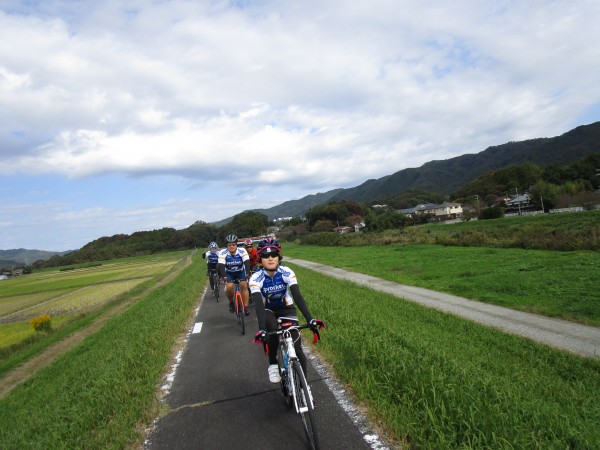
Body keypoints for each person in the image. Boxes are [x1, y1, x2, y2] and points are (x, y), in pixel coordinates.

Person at [249, 237, 325, 383]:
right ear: (260, 258)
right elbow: (258, 304)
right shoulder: (256, 277)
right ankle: (273, 363)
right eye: (265, 255)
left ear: (279, 257)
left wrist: (310, 319)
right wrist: (262, 329)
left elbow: (297, 296)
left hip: (286, 309)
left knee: (297, 347)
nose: (270, 258)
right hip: (267, 309)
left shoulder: (286, 272)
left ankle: (304, 387)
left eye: (274, 255)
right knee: (271, 329)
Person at [218, 234, 251, 315]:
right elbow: (221, 265)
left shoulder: (242, 250)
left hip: (240, 272)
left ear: (237, 245)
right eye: (229, 245)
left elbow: (246, 262)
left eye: (233, 244)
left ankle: (246, 307)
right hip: (229, 273)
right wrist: (224, 277)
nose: (231, 246)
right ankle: (231, 302)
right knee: (229, 287)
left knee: (244, 285)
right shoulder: (223, 252)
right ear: (227, 246)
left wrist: (247, 273)